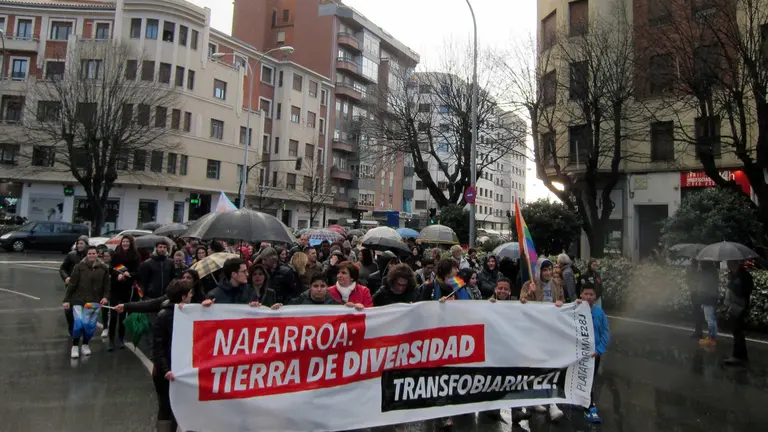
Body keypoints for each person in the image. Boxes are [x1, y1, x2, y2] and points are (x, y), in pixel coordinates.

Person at [520, 257, 565, 421]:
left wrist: (561, 303)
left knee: (551, 366)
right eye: (544, 270)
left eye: (549, 269)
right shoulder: (529, 284)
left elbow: (562, 301)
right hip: (534, 331)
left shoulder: (556, 284)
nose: (547, 273)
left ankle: (552, 403)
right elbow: (522, 303)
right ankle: (536, 398)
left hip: (550, 330)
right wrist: (530, 293)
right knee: (536, 367)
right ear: (538, 270)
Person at [151, 279, 193, 432]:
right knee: (166, 406)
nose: (191, 296)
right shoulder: (164, 315)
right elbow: (158, 346)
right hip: (166, 371)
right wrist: (165, 369)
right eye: (189, 294)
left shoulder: (185, 313)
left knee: (177, 406)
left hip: (178, 368)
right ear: (183, 297)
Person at [63, 246, 109, 359]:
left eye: (94, 253)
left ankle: (85, 345)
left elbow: (107, 285)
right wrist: (67, 300)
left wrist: (105, 297)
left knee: (89, 326)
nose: (91, 255)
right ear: (86, 255)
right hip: (79, 300)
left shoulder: (103, 268)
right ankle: (74, 346)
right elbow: (72, 284)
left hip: (94, 302)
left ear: (98, 254)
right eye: (89, 253)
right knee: (79, 324)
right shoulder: (79, 267)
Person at [581, 282, 610, 423]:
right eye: (585, 294)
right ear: (581, 295)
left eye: (591, 294)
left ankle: (589, 406)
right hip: (579, 355)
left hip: (594, 355)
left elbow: (605, 333)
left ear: (595, 296)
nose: (588, 297)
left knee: (589, 380)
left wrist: (598, 350)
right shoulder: (575, 309)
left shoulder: (599, 312)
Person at [107, 235, 140, 351]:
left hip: (127, 288)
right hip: (115, 288)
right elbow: (111, 269)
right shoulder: (116, 255)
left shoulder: (135, 256)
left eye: (127, 242)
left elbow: (137, 271)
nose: (125, 243)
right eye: (123, 242)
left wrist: (129, 274)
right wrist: (118, 275)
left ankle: (121, 338)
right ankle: (111, 340)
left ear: (131, 243)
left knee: (122, 315)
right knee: (114, 314)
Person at [724, 260, 753, 366]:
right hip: (732, 305)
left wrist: (732, 285)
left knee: (738, 331)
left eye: (729, 262)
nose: (728, 264)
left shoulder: (744, 276)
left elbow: (744, 291)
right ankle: (741, 355)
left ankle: (738, 356)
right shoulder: (732, 274)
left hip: (740, 306)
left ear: (735, 263)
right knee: (736, 331)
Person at [698, 261, 720, 346]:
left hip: (708, 297)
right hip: (710, 296)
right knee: (711, 318)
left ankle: (712, 338)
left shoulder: (708, 272)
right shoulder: (712, 271)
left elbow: (705, 285)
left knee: (710, 319)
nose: (700, 263)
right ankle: (711, 336)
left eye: (701, 262)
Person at [687, 259, 707, 339]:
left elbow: (701, 282)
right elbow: (688, 281)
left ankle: (699, 331)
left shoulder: (700, 272)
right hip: (694, 293)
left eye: (693, 263)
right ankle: (697, 330)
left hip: (699, 294)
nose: (692, 265)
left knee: (698, 312)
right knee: (696, 312)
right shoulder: (691, 272)